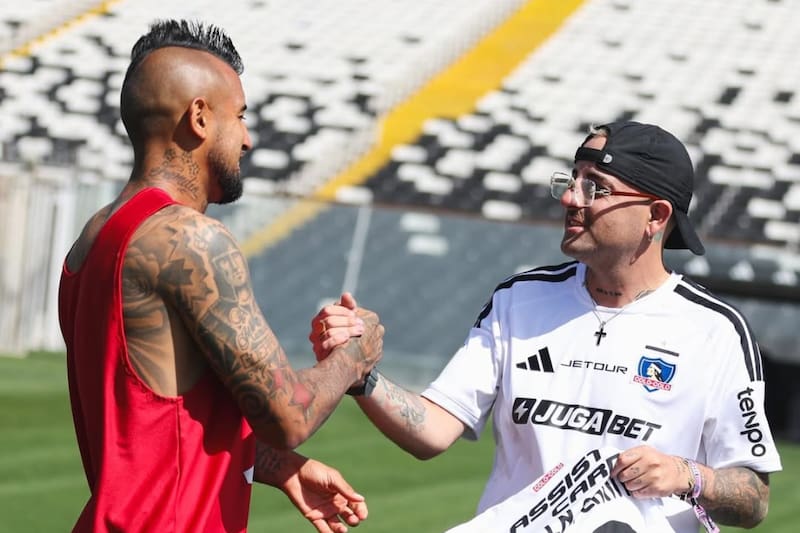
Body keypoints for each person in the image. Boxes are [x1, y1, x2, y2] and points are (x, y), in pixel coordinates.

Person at [311, 121, 782, 532]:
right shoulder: (520, 298)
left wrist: (689, 476)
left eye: (595, 186)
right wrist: (359, 373)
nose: (570, 197)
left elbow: (754, 497)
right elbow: (433, 429)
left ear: (655, 217)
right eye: (571, 179)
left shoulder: (715, 330)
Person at [57, 19, 383, 533]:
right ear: (201, 118)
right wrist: (355, 356)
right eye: (241, 117)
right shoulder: (191, 239)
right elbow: (290, 416)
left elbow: (151, 426)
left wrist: (273, 466)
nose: (248, 140)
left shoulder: (90, 241)